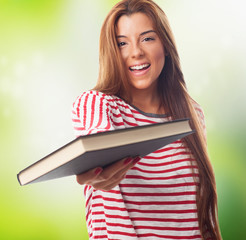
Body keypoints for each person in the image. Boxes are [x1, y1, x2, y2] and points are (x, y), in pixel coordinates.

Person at [71, 0, 222, 239]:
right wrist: (98, 172)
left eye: (147, 38)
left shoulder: (192, 113)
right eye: (122, 43)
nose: (136, 52)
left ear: (166, 45)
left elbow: (201, 218)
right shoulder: (98, 104)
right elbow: (97, 138)